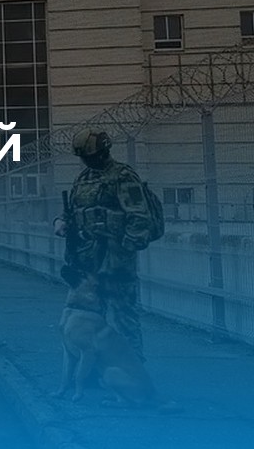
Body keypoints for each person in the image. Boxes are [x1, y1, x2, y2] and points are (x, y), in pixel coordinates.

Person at [54, 129, 155, 359]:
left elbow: (140, 217)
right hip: (87, 260)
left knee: (123, 315)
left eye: (89, 156)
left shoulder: (122, 176)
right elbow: (72, 211)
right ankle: (96, 369)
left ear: (102, 152)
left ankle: (132, 368)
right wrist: (60, 222)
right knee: (88, 317)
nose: (85, 161)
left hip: (116, 261)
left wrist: (122, 251)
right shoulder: (84, 178)